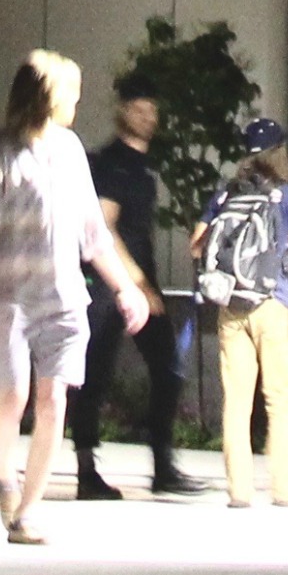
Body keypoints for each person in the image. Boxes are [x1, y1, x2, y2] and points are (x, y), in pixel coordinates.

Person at [0, 50, 149, 543]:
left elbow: (94, 234)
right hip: (11, 300)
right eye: (72, 93)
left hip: (64, 300)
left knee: (53, 399)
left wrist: (128, 287)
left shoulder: (71, 150)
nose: (78, 102)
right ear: (47, 96)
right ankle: (3, 475)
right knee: (13, 395)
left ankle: (25, 512)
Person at [193, 117, 288, 511]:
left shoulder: (226, 195)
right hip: (275, 304)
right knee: (281, 400)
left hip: (232, 308)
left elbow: (196, 246)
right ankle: (283, 489)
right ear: (280, 151)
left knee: (236, 401)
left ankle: (239, 491)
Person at [72, 80, 193, 500]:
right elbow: (105, 227)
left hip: (141, 279)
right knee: (95, 372)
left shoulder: (144, 168)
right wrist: (137, 283)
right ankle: (87, 470)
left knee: (168, 367)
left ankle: (163, 465)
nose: (149, 118)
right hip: (110, 283)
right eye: (140, 110)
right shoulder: (110, 164)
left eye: (153, 111)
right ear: (123, 111)